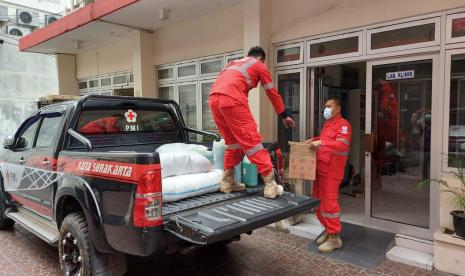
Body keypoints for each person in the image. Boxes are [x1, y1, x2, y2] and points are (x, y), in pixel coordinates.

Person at [209, 46, 295, 199]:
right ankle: (270, 185)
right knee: (252, 141)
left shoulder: (233, 64)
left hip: (214, 100)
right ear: (261, 59)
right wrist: (284, 115)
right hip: (232, 99)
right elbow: (272, 92)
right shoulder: (259, 65)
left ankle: (227, 181)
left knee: (233, 142)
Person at [305, 98, 352, 253]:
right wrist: (314, 140)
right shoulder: (328, 124)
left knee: (329, 204)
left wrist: (321, 143)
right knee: (318, 201)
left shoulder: (344, 125)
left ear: (337, 108)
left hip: (332, 171)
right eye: (325, 106)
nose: (326, 109)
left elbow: (342, 144)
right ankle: (327, 228)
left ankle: (334, 237)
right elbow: (324, 140)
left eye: (328, 106)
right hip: (321, 169)